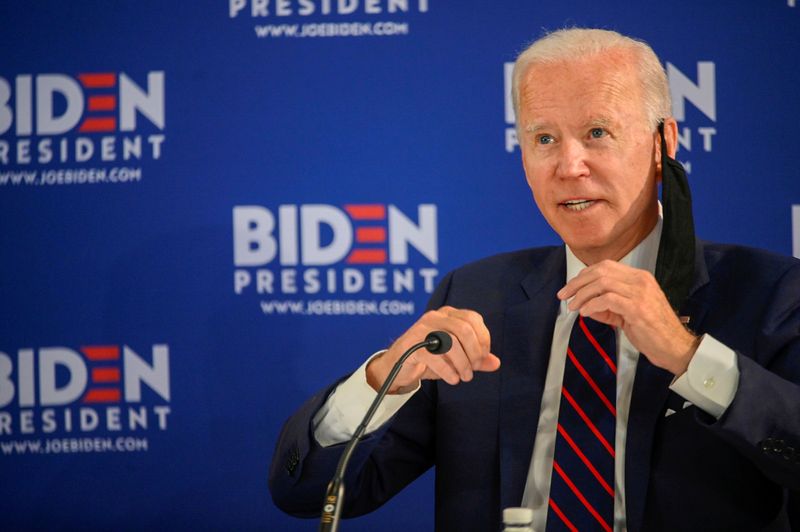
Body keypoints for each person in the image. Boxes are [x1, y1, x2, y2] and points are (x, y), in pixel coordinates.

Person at [269, 28, 800, 531]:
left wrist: (690, 356)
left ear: (663, 143)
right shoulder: (476, 297)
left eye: (597, 132)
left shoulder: (768, 292)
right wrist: (386, 379)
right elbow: (307, 494)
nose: (570, 165)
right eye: (544, 138)